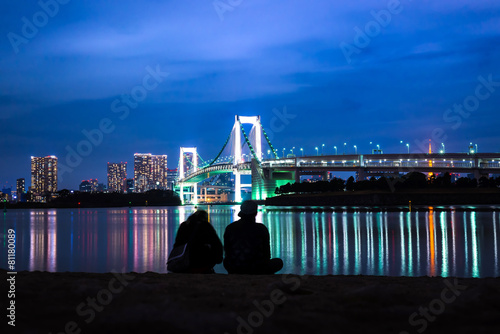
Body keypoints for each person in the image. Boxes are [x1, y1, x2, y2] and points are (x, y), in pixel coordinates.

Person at [223, 200, 283, 274]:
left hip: (235, 267)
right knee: (278, 262)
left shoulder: (230, 228)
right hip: (257, 268)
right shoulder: (261, 229)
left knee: (225, 261)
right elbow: (266, 252)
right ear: (255, 213)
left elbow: (227, 249)